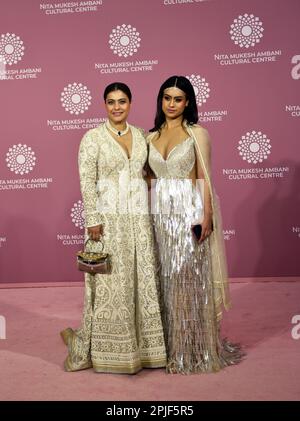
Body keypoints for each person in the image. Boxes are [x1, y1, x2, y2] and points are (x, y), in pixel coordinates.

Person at [61, 82, 166, 374]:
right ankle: (109, 350)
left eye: (122, 101)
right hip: (107, 219)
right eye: (111, 102)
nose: (117, 107)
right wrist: (92, 219)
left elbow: (148, 175)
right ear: (104, 105)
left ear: (130, 103)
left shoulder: (142, 136)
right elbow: (86, 180)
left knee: (141, 278)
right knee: (111, 281)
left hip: (138, 218)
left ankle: (147, 350)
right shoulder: (92, 138)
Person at [147, 75, 243, 374]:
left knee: (187, 279)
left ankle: (193, 350)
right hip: (159, 214)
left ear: (188, 102)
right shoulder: (150, 136)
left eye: (178, 98)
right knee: (166, 281)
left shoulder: (197, 134)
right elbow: (148, 178)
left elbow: (204, 177)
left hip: (188, 212)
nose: (171, 104)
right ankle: (169, 348)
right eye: (167, 97)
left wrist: (207, 216)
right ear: (160, 100)